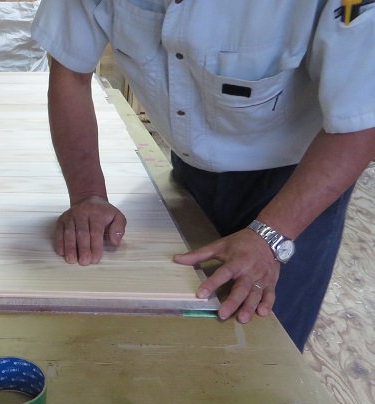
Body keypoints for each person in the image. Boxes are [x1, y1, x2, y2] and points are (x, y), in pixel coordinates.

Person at [31, 0, 375, 351]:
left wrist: (271, 237)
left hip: (300, 182)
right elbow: (70, 71)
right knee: (164, 336)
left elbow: (363, 121)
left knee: (262, 347)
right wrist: (88, 193)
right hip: (190, 168)